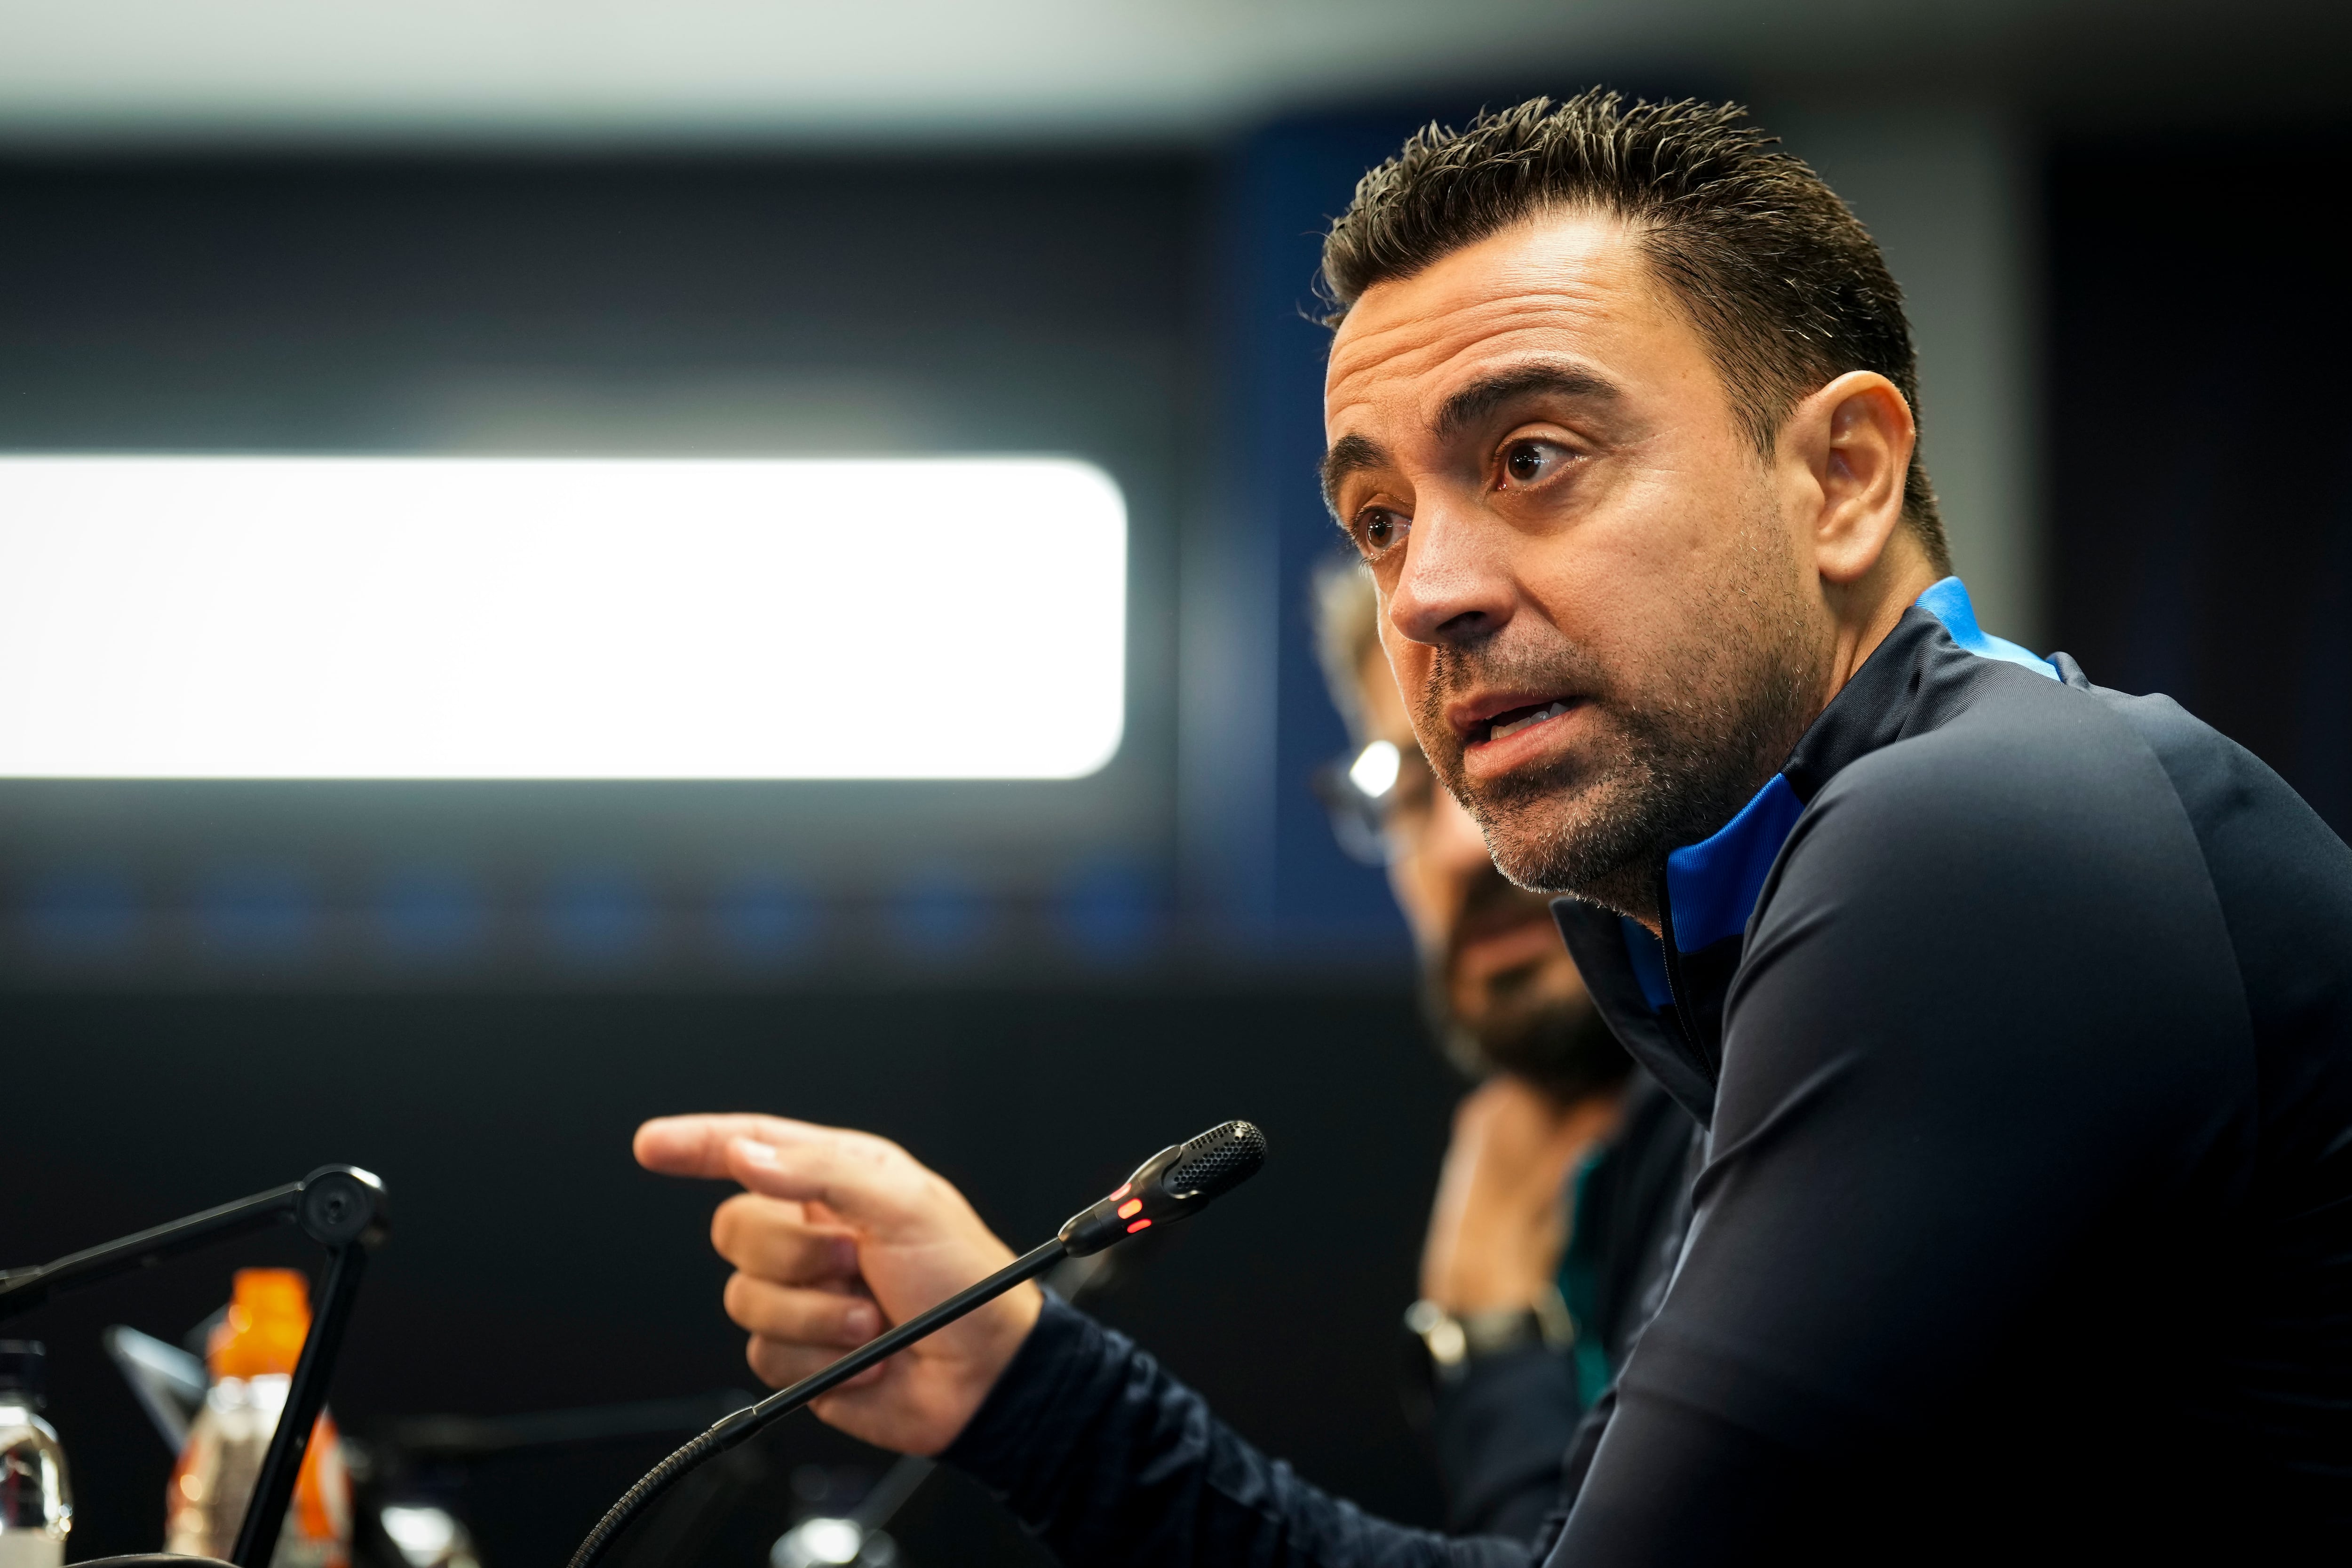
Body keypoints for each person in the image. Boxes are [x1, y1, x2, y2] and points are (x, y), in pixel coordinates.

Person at [636, 92, 2352, 1560]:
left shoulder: (1982, 829)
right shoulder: (1769, 907)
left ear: (1842, 477)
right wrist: (1015, 1379)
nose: (1430, 593)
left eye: (1532, 455)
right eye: (1379, 515)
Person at [1310, 558, 1695, 1541]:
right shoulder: (1528, 1164)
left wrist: (1490, 1341)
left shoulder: (1767, 1113)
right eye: (1404, 783)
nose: (1452, 849)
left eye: (1502, 738)